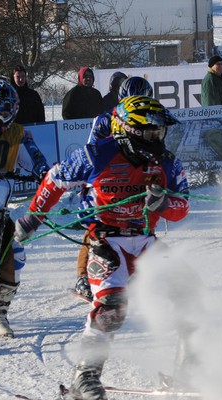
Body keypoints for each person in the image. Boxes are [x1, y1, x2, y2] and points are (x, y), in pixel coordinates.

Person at [14, 96, 189, 400]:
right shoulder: (96, 154)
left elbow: (182, 206)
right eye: (150, 132)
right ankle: (85, 378)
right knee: (112, 307)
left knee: (188, 292)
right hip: (107, 241)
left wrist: (164, 203)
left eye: (159, 132)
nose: (157, 138)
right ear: (128, 130)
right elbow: (54, 180)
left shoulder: (166, 161)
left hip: (146, 242)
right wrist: (32, 217)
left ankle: (190, 368)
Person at [65, 76, 156, 304]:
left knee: (141, 220)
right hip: (106, 178)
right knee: (96, 224)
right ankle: (83, 276)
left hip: (135, 178)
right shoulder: (105, 119)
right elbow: (91, 149)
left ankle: (136, 270)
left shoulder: (151, 120)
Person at [0, 80, 50, 337]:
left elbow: (36, 158)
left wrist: (43, 173)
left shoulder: (18, 133)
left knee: (12, 250)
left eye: (7, 111)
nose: (0, 117)